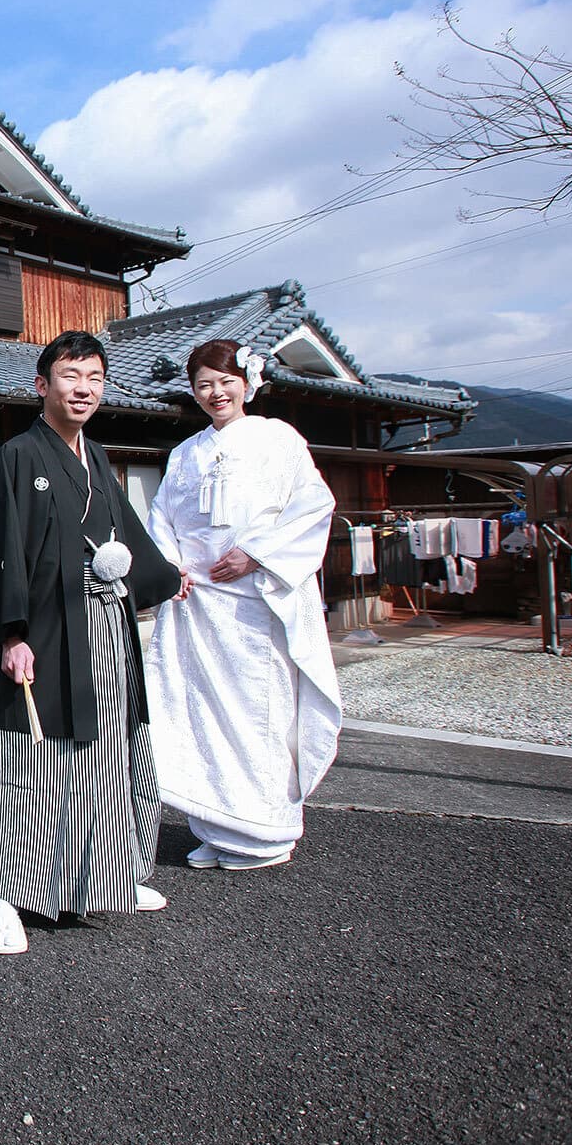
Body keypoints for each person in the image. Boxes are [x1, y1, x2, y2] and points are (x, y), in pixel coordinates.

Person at [0, 331, 182, 955]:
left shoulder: (98, 455)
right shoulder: (18, 455)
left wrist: (164, 578)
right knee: (34, 760)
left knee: (111, 748)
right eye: (69, 376)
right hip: (45, 629)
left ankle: (108, 875)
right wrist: (11, 633)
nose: (83, 388)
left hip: (107, 629)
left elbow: (128, 538)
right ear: (42, 385)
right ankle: (7, 896)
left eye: (94, 377)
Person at [144, 338, 342, 871]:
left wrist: (255, 554)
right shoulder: (185, 453)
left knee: (259, 709)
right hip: (200, 602)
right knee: (200, 710)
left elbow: (313, 505)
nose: (216, 393)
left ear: (246, 383)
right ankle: (215, 825)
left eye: (225, 381)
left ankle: (265, 830)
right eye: (204, 384)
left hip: (256, 601)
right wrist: (172, 568)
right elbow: (161, 517)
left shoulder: (278, 439)